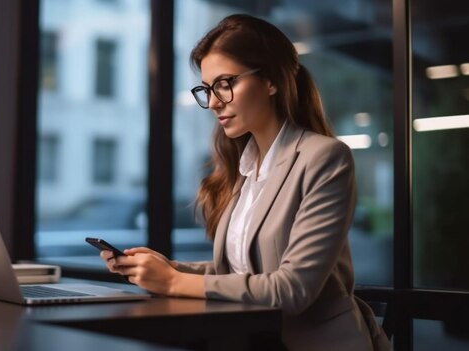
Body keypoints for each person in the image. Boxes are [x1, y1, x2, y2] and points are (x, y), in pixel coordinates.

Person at [100, 14, 392, 351]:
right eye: (207, 89)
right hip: (247, 338)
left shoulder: (324, 157)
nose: (212, 102)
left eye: (225, 84)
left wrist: (174, 282)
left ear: (270, 80)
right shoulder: (246, 170)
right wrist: (163, 268)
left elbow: (292, 289)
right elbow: (241, 269)